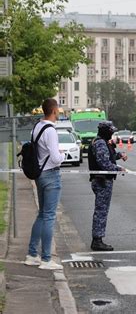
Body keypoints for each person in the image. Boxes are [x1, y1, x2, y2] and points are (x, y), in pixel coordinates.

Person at [24, 98, 65, 270]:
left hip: (39, 174)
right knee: (49, 216)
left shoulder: (37, 126)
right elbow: (56, 158)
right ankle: (47, 259)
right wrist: (63, 155)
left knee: (42, 214)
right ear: (54, 110)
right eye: (58, 110)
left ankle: (32, 254)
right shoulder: (51, 131)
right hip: (51, 175)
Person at [88, 121, 127, 251]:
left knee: (102, 210)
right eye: (111, 131)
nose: (112, 133)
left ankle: (98, 238)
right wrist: (118, 169)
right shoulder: (100, 143)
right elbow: (104, 163)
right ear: (106, 131)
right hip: (102, 181)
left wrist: (119, 156)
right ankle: (97, 240)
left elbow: (107, 157)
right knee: (101, 211)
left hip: (102, 180)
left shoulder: (101, 142)